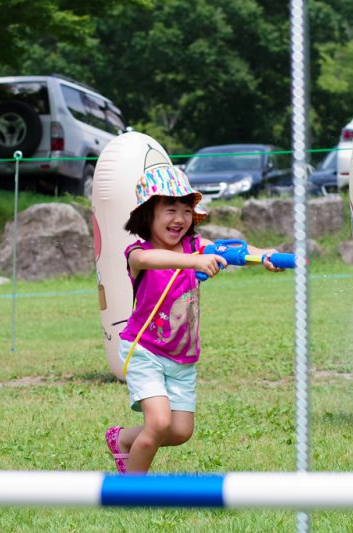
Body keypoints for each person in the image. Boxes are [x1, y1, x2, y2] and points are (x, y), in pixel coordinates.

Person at [106, 165, 283, 474]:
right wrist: (194, 260)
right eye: (170, 209)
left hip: (183, 357)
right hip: (144, 350)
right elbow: (149, 260)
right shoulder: (139, 252)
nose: (180, 218)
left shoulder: (195, 246)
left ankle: (121, 439)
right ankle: (131, 492)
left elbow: (234, 250)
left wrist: (264, 255)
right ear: (148, 215)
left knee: (180, 431)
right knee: (159, 423)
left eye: (186, 210)